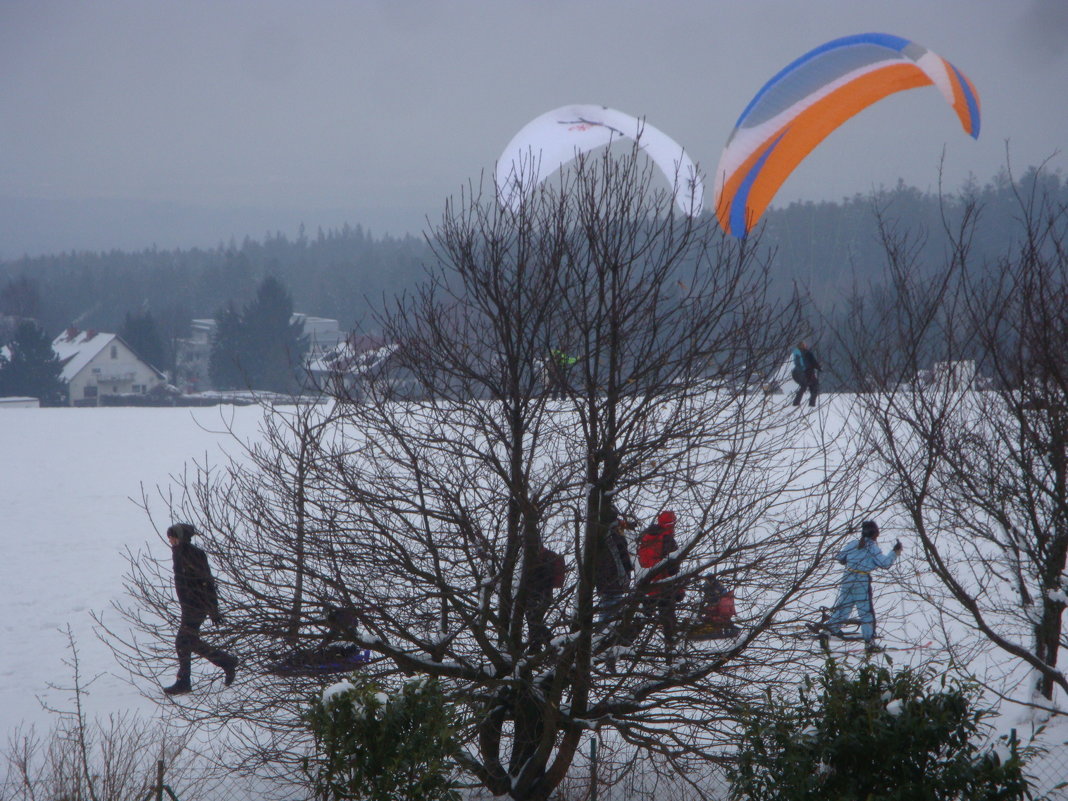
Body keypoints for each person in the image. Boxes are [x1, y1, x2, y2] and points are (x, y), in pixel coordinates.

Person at [163, 523, 238, 695]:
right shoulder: (179, 552)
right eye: (170, 537)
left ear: (182, 538)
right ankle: (227, 662)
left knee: (183, 642)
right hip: (188, 606)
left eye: (173, 537)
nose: (171, 540)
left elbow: (207, 581)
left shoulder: (193, 554)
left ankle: (184, 682)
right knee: (190, 642)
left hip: (197, 605)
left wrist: (213, 609)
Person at [824, 520, 902, 654]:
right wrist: (895, 552)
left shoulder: (853, 544)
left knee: (843, 607)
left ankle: (827, 632)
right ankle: (869, 642)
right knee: (866, 612)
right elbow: (885, 564)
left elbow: (840, 557)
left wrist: (850, 560)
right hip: (861, 581)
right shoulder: (873, 548)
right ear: (875, 534)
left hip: (847, 578)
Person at [637, 511, 684, 656]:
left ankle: (621, 645)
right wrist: (680, 591)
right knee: (669, 623)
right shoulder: (668, 540)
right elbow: (672, 570)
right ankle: (671, 657)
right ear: (672, 524)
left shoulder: (645, 537)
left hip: (647, 587)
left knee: (641, 619)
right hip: (664, 588)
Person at [594, 512, 635, 628]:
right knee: (610, 617)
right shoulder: (611, 536)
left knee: (608, 613)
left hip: (608, 581)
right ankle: (603, 639)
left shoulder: (601, 532)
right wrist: (623, 579)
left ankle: (602, 637)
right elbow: (618, 558)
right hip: (613, 581)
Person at [525, 543, 565, 653]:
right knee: (535, 621)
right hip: (545, 596)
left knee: (534, 621)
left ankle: (546, 646)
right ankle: (546, 646)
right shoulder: (549, 556)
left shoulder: (538, 558)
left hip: (537, 595)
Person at [791, 341, 821, 407]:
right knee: (814, 386)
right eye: (805, 345)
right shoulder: (807, 353)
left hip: (796, 372)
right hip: (807, 372)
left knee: (804, 386)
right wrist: (819, 368)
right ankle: (811, 404)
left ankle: (796, 402)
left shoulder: (796, 353)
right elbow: (813, 362)